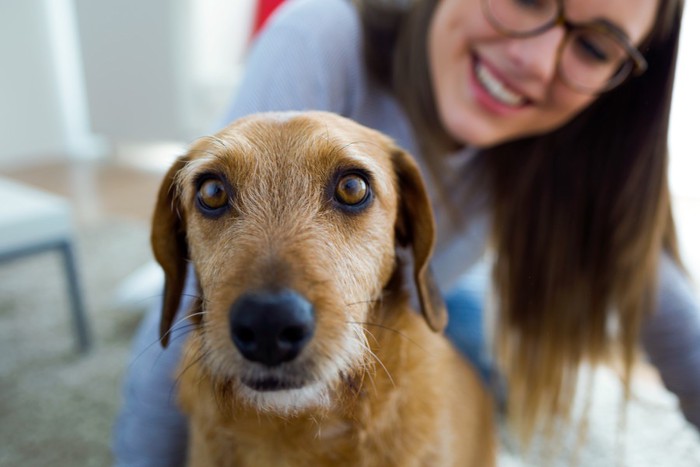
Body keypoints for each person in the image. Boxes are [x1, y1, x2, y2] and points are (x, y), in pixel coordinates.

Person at [113, 0, 698, 464]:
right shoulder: (321, 37)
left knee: (475, 359)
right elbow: (192, 312)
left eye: (595, 47)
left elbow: (670, 318)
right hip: (395, 296)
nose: (536, 59)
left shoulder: (567, 153)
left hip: (421, 300)